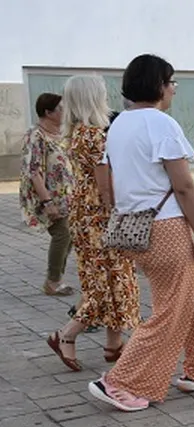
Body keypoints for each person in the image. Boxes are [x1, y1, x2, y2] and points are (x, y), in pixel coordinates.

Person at [88, 53, 194, 413]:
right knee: (171, 312)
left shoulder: (118, 124)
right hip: (167, 227)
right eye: (170, 82)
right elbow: (184, 186)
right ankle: (120, 382)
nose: (174, 89)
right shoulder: (160, 124)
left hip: (135, 225)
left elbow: (107, 177)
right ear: (158, 86)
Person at [45, 75, 139, 373]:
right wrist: (118, 215)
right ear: (92, 98)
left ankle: (114, 344)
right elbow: (105, 184)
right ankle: (66, 334)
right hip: (100, 215)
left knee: (109, 278)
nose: (106, 97)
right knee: (110, 279)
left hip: (83, 214)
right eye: (102, 93)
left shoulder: (76, 132)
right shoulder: (96, 135)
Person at [20, 93, 74, 297]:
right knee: (62, 234)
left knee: (69, 235)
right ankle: (53, 281)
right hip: (49, 196)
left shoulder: (61, 133)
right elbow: (33, 171)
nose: (65, 112)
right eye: (60, 109)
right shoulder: (36, 135)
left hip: (66, 194)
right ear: (48, 112)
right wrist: (47, 201)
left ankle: (56, 278)